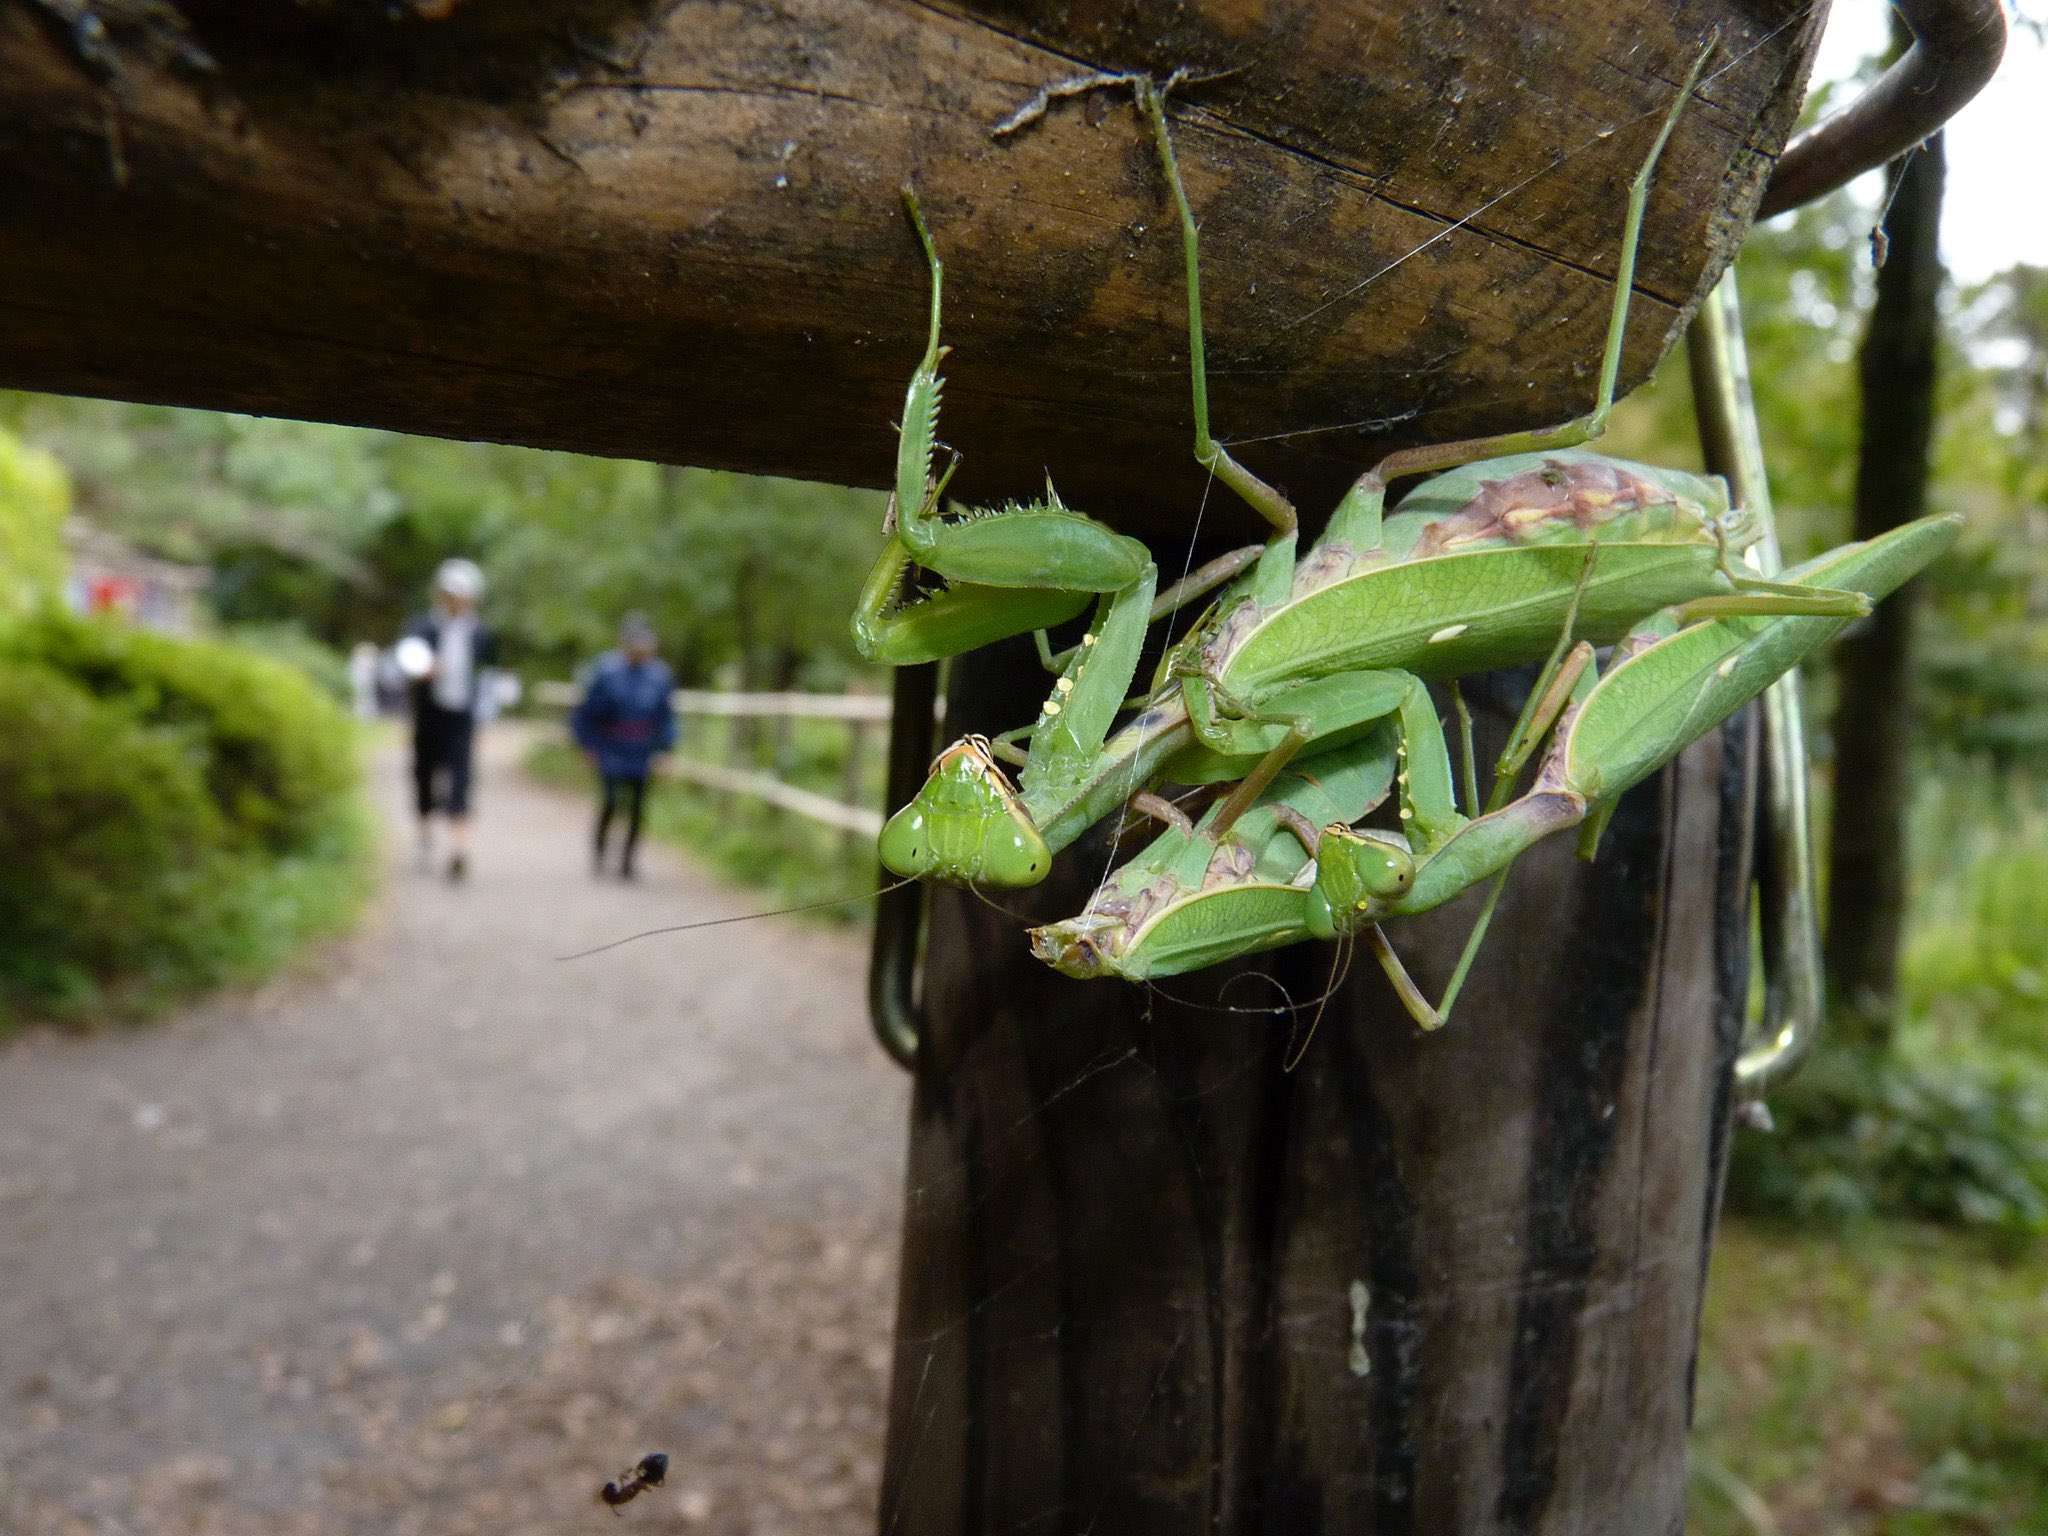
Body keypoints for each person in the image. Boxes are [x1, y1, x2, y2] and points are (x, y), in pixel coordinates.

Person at [400, 558, 499, 883]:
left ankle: (459, 848)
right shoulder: (423, 627)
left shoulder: (480, 634)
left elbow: (489, 678)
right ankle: (425, 831)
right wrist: (424, 669)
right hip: (429, 715)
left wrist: (486, 717)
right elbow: (405, 660)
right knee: (424, 774)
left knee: (461, 779)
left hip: (462, 717)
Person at [572, 613, 677, 881]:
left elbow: (666, 717)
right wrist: (587, 745)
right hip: (610, 746)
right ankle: (600, 849)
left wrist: (665, 750)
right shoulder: (605, 671)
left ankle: (628, 862)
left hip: (641, 749)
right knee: (610, 800)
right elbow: (586, 712)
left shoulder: (660, 676)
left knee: (638, 806)